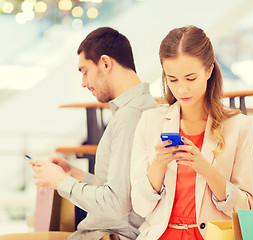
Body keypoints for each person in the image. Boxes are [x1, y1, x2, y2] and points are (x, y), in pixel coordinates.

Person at [0, 27, 156, 240]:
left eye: (84, 71)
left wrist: (61, 183)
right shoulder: (134, 110)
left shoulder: (131, 116)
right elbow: (124, 193)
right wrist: (75, 175)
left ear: (105, 63)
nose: (83, 83)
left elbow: (117, 205)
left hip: (108, 235)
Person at [130, 25, 253, 240]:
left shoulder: (238, 126)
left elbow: (245, 209)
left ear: (208, 71)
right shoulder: (150, 121)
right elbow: (140, 207)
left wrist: (205, 169)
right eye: (173, 79)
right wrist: (159, 164)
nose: (182, 90)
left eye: (190, 78)